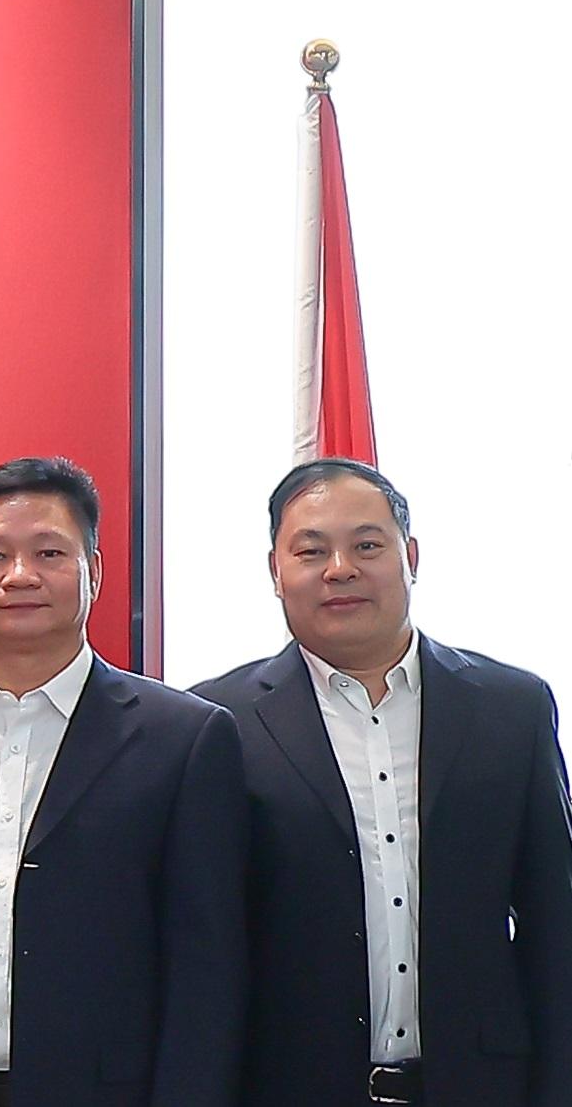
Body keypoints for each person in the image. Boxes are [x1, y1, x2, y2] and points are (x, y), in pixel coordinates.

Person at [0, 457, 245, 1107]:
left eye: (48, 552)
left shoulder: (184, 738)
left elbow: (206, 966)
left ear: (92, 569)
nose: (19, 575)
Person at [194, 459, 572, 1107]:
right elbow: (201, 946)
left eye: (366, 544)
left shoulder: (511, 708)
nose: (339, 566)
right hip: (286, 1086)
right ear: (274, 571)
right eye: (310, 549)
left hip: (482, 1085)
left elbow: (553, 923)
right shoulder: (215, 723)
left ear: (410, 554)